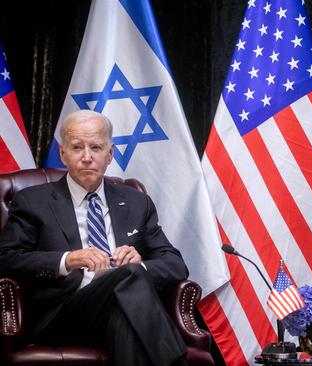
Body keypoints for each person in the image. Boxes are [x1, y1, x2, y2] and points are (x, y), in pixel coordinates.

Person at [0, 110, 189, 366]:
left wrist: (140, 265)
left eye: (96, 147)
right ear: (63, 153)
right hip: (63, 314)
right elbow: (7, 259)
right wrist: (68, 259)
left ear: (109, 154)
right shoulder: (33, 201)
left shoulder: (136, 202)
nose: (87, 157)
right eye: (77, 147)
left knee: (123, 307)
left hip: (121, 308)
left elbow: (175, 264)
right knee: (129, 276)